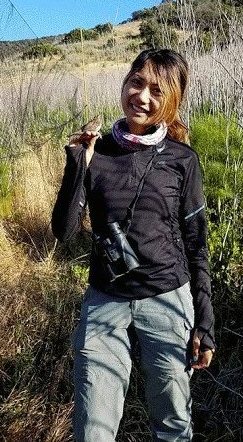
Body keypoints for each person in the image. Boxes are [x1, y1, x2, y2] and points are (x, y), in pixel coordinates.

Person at [52, 48, 215, 442]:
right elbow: (64, 229)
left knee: (173, 424)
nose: (142, 96)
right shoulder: (98, 150)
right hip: (105, 300)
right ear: (125, 83)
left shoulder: (182, 160)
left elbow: (196, 244)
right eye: (136, 83)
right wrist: (79, 162)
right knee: (92, 429)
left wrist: (204, 322)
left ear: (172, 99)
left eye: (156, 90)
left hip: (167, 299)